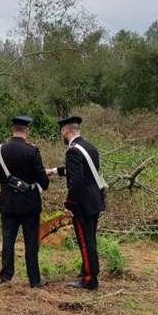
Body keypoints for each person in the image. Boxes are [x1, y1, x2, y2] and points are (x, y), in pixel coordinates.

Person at [47, 116, 106, 290]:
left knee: (85, 241)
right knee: (90, 239)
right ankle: (87, 270)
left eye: (62, 132)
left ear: (66, 131)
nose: (62, 135)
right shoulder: (90, 147)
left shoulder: (72, 151)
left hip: (82, 204)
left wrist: (69, 204)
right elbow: (81, 171)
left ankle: (89, 280)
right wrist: (53, 171)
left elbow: (76, 181)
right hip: (95, 200)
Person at [0, 116, 50, 288]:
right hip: (29, 204)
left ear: (13, 130)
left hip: (8, 202)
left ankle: (6, 278)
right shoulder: (32, 151)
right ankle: (34, 279)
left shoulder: (0, 150)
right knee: (31, 242)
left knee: (8, 240)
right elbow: (43, 182)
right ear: (27, 131)